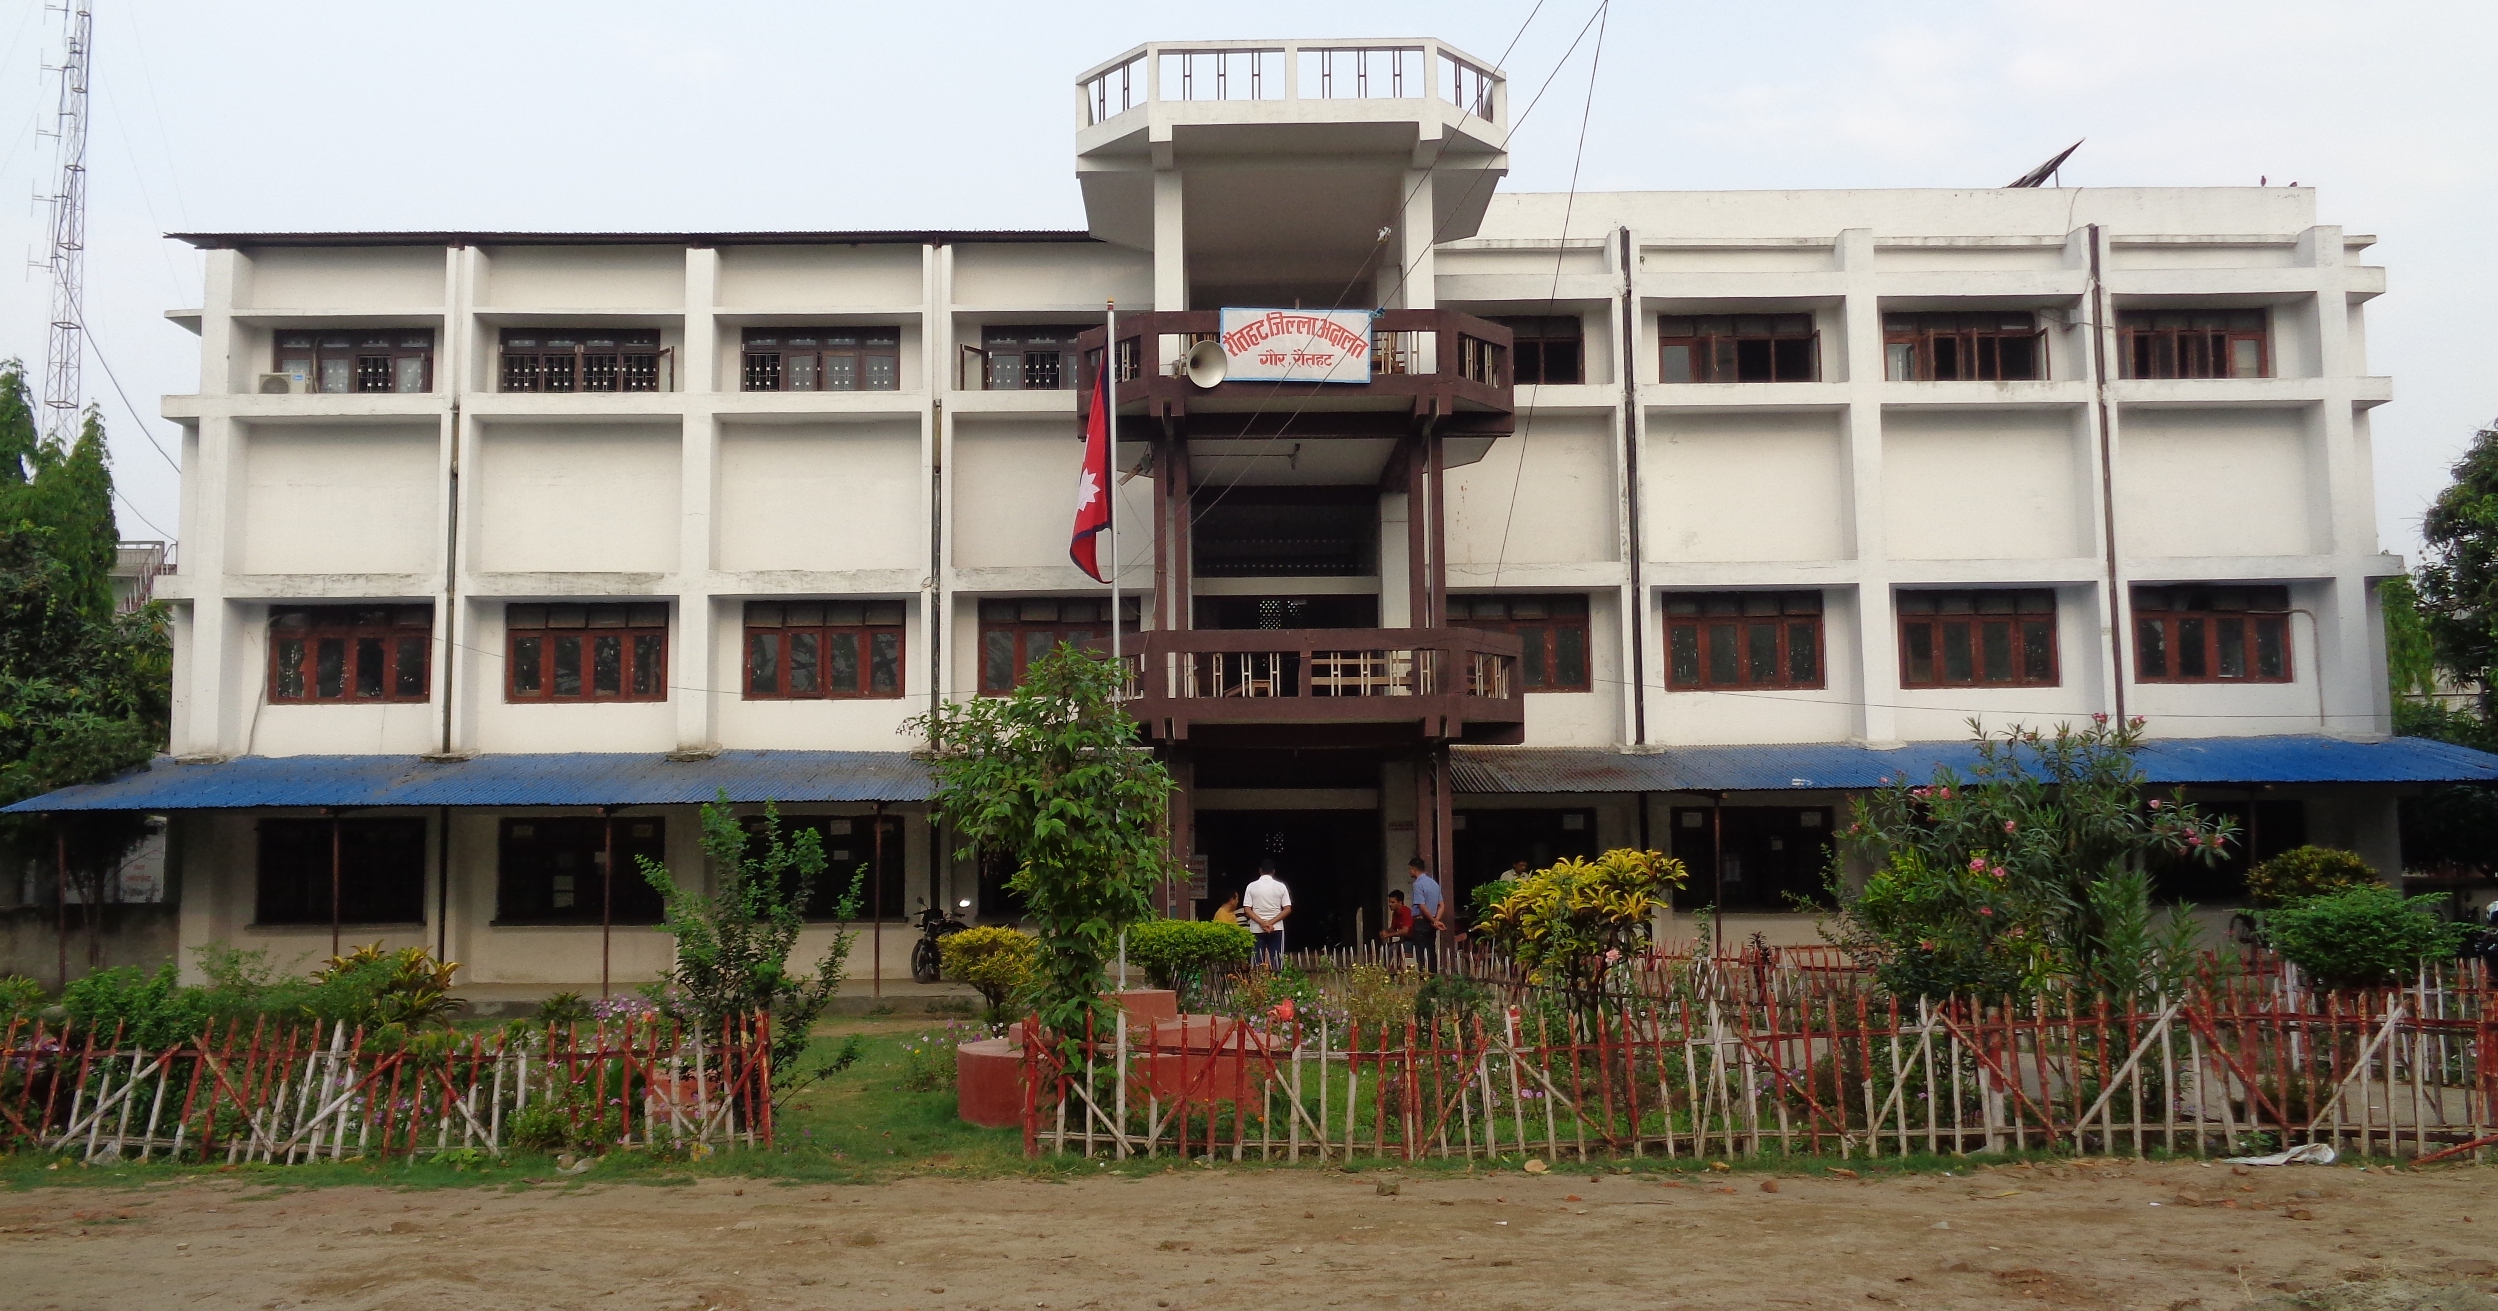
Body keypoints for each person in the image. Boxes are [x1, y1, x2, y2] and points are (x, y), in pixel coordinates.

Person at [1242, 860, 1292, 966]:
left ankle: (1257, 982)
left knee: (1256, 962)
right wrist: (1271, 922)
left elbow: (1247, 909)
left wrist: (1262, 923)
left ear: (1260, 871)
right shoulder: (1281, 886)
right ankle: (1277, 982)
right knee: (1277, 962)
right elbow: (1287, 908)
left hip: (1256, 929)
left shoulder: (1251, 886)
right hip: (1276, 928)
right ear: (1273, 872)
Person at [1406, 855, 1443, 971]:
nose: (1409, 872)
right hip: (1431, 922)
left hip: (1422, 921)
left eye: (1409, 869)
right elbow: (1441, 905)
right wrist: (1436, 920)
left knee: (1422, 952)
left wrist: (1434, 921)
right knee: (1431, 950)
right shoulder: (1434, 884)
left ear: (1413, 869)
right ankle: (1434, 976)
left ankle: (1425, 977)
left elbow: (1422, 906)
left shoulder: (1418, 884)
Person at [1378, 889, 1414, 958]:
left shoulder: (1406, 912)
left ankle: (1391, 967)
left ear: (1400, 902)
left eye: (1393, 902)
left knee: (1392, 949)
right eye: (1389, 902)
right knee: (1384, 947)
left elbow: (1405, 931)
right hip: (1403, 940)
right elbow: (1393, 928)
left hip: (1411, 941)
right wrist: (1385, 932)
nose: (1390, 904)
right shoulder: (1395, 913)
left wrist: (1388, 935)